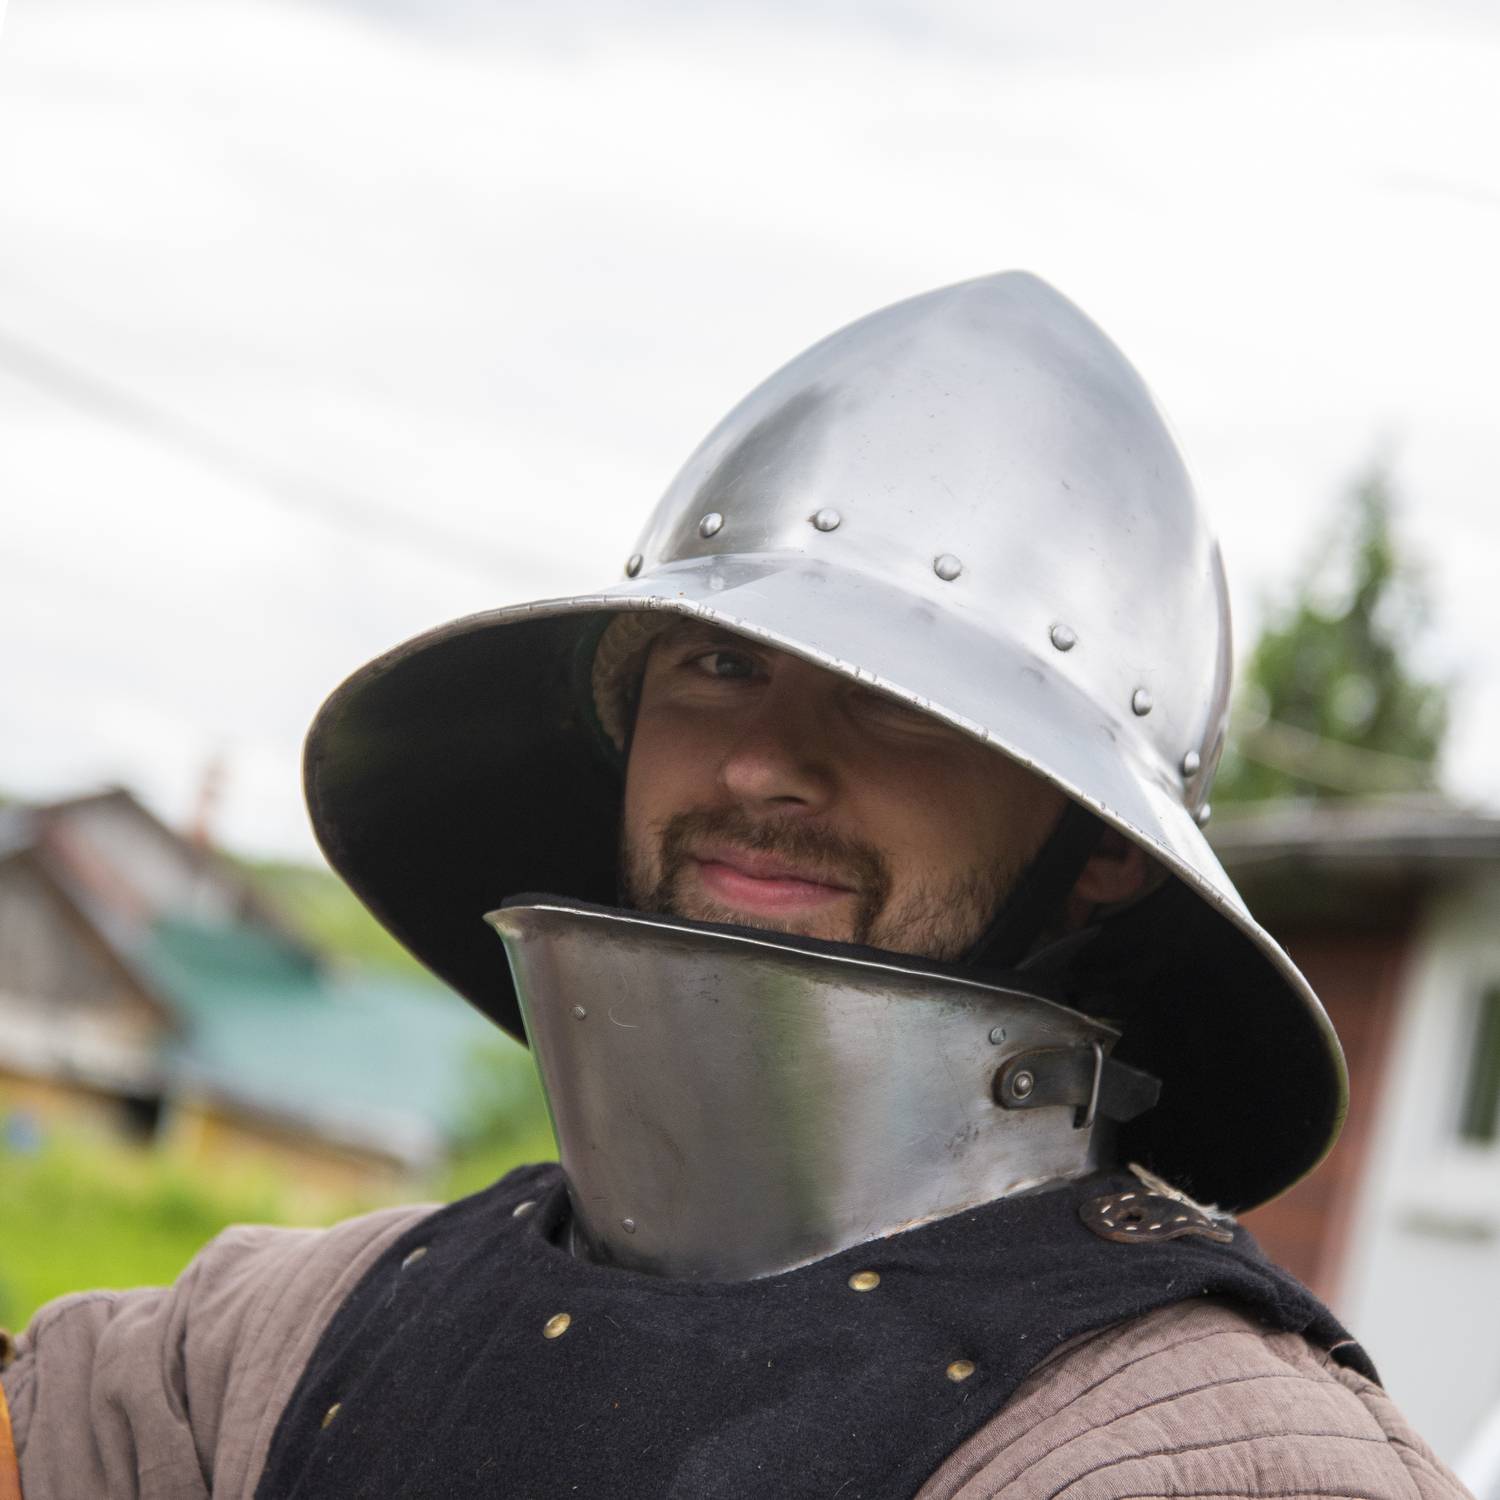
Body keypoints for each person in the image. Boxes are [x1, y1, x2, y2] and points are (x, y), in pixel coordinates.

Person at [0, 274, 1471, 1499]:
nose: (766, 763)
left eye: (901, 707)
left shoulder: (1193, 1453)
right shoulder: (276, 1344)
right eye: (717, 665)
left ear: (1102, 848)